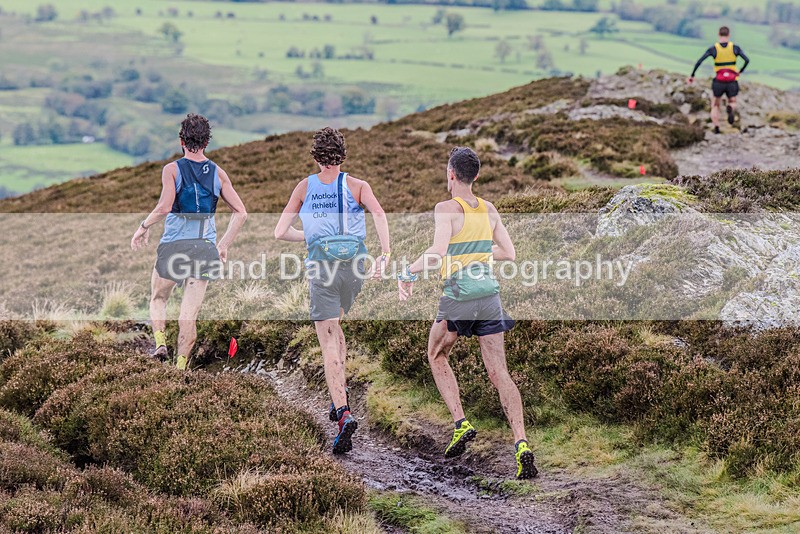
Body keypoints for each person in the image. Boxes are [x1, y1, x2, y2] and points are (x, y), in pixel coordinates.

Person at [397, 147, 537, 480]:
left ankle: (461, 422)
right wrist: (477, 250)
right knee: (500, 373)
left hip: (459, 296)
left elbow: (437, 252)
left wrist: (408, 272)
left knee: (436, 353)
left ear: (451, 174)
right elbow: (510, 252)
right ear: (475, 176)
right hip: (489, 295)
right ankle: (521, 444)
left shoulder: (445, 209)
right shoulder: (489, 209)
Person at [274, 127, 390, 454]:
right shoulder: (358, 186)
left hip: (323, 268)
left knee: (327, 341)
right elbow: (379, 214)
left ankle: (342, 414)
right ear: (343, 155)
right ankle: (342, 395)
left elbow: (280, 231)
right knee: (336, 327)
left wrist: (310, 236)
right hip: (355, 268)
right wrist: (385, 254)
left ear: (315, 157)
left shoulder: (304, 187)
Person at [131, 113, 247, 371]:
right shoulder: (218, 173)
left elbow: (163, 207)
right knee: (188, 315)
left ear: (181, 140)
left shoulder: (172, 170)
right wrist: (223, 244)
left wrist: (143, 226)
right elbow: (241, 212)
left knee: (158, 299)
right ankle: (180, 368)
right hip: (205, 250)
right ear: (207, 142)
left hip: (174, 246)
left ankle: (160, 343)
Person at [688, 26, 750, 134]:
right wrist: (740, 71)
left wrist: (692, 75)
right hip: (732, 81)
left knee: (715, 105)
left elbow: (699, 61)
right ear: (728, 35)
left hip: (719, 81)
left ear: (719, 35)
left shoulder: (713, 49)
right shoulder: (735, 48)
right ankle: (730, 107)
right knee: (733, 101)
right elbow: (746, 60)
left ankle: (716, 127)